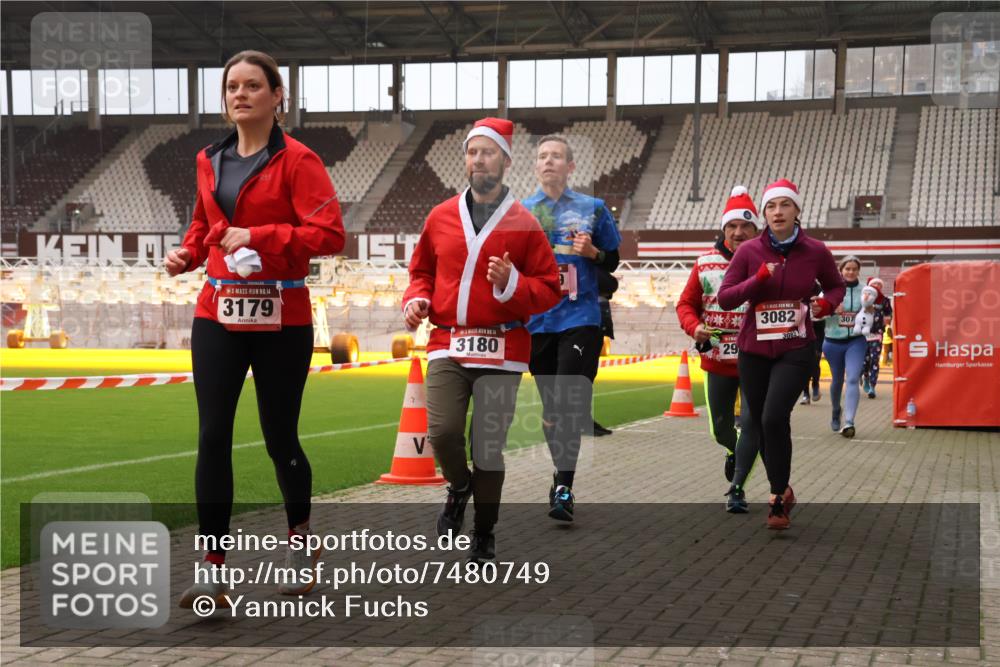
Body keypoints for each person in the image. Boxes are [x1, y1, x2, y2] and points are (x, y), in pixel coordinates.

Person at [165, 50, 345, 607]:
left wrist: (259, 235)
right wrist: (188, 254)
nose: (239, 95)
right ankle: (214, 567)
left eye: (251, 86)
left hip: (282, 313)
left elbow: (329, 235)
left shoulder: (300, 160)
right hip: (217, 310)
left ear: (276, 96)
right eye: (231, 87)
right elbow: (205, 225)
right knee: (212, 435)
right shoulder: (207, 159)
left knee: (279, 437)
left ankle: (300, 542)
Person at [403, 118, 560, 563]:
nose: (478, 159)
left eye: (487, 152)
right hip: (448, 344)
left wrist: (513, 283)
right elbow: (421, 274)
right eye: (472, 152)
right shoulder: (439, 216)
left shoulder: (526, 223)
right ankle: (458, 487)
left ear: (506, 161)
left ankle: (484, 530)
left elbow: (549, 289)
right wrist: (416, 301)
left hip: (503, 349)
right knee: (443, 432)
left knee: (488, 450)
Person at [718, 179, 844, 530]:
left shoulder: (816, 251)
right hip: (754, 349)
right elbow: (727, 297)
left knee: (775, 417)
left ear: (797, 211)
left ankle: (775, 497)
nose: (777, 212)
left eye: (784, 205)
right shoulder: (749, 252)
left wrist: (826, 303)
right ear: (764, 213)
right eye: (771, 207)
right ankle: (784, 490)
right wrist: (757, 279)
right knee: (756, 421)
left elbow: (835, 285)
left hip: (796, 348)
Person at [522, 135, 622, 522]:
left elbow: (612, 260)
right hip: (538, 321)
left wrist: (593, 253)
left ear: (571, 166)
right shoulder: (521, 212)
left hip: (581, 319)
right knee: (552, 413)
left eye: (557, 156)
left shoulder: (593, 208)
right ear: (535, 166)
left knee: (564, 405)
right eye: (543, 156)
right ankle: (559, 474)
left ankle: (564, 486)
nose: (549, 162)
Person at [675, 185, 761, 513]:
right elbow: (686, 303)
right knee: (720, 428)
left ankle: (737, 487)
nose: (739, 232)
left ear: (756, 229)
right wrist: (694, 327)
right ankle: (732, 450)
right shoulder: (705, 262)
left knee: (754, 422)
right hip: (716, 357)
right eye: (732, 227)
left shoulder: (767, 261)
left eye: (746, 226)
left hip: (757, 360)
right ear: (723, 229)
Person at [822, 256, 868, 438]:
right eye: (847, 269)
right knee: (837, 381)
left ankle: (849, 422)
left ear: (858, 271)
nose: (850, 272)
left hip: (856, 341)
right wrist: (831, 309)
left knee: (853, 379)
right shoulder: (829, 289)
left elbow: (876, 308)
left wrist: (871, 310)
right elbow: (814, 313)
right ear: (841, 270)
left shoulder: (865, 290)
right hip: (833, 341)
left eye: (854, 269)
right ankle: (835, 410)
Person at [592, 267, 618, 437]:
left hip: (595, 323)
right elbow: (609, 283)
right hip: (589, 323)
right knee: (583, 374)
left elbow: (610, 285)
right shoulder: (587, 266)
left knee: (588, 374)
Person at [862, 276, 892, 399]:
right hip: (863, 335)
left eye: (879, 285)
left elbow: (888, 312)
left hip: (877, 334)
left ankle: (872, 387)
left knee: (875, 361)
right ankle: (866, 377)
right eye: (874, 284)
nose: (877, 286)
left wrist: (888, 317)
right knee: (865, 361)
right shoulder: (864, 297)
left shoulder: (884, 300)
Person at [799, 281, 826, 405]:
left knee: (815, 361)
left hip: (817, 331)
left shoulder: (820, 290)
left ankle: (815, 385)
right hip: (801, 332)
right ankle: (805, 393)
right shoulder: (798, 288)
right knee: (803, 364)